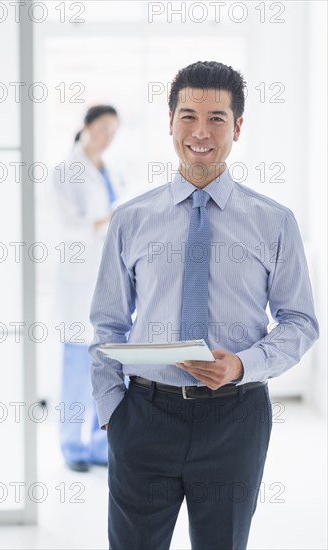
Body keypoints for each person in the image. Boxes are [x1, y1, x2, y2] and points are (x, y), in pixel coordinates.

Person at [89, 61, 319, 549]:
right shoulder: (132, 220)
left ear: (237, 127)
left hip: (235, 421)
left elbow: (299, 321)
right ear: (169, 122)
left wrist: (243, 364)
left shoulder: (275, 222)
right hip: (144, 417)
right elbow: (108, 322)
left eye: (217, 118)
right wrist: (114, 411)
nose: (200, 131)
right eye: (188, 115)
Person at [54, 105, 125, 473]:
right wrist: (108, 218)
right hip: (79, 278)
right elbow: (68, 223)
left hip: (107, 277)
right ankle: (72, 443)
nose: (106, 137)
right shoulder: (67, 170)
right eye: (101, 128)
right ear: (85, 127)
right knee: (76, 365)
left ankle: (100, 443)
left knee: (107, 364)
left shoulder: (111, 171)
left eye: (113, 130)